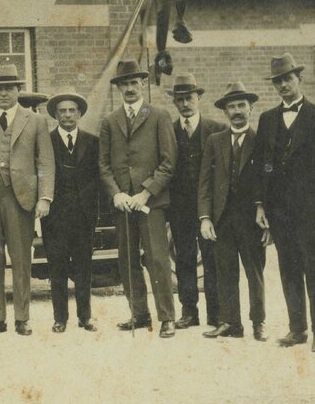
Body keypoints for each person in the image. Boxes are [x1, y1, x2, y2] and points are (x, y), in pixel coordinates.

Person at [254, 53, 315, 352]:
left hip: (311, 210)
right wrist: (261, 204)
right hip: (279, 212)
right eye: (277, 81)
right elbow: (264, 165)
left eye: (287, 79)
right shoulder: (267, 120)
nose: (283, 85)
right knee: (288, 269)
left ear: (298, 79)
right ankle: (297, 329)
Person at [0, 66, 54, 336]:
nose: (3, 93)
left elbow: (45, 162)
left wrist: (45, 197)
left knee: (20, 258)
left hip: (21, 198)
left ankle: (22, 318)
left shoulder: (35, 121)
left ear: (18, 90)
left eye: (9, 88)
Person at [97, 59, 179, 336]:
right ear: (118, 88)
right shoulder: (109, 121)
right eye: (125, 84)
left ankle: (167, 317)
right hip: (123, 205)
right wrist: (117, 194)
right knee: (127, 259)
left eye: (134, 82)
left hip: (150, 204)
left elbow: (169, 162)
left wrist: (145, 193)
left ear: (142, 84)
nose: (130, 88)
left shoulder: (159, 116)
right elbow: (104, 165)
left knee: (157, 259)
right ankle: (140, 314)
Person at [198, 83, 269, 340]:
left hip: (252, 220)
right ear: (225, 112)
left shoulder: (261, 140)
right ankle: (230, 322)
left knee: (255, 273)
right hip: (222, 220)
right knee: (225, 272)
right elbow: (204, 182)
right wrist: (205, 217)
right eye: (232, 106)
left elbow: (269, 182)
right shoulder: (214, 141)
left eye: (241, 105)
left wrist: (267, 219)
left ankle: (258, 322)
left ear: (250, 108)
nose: (237, 111)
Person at [165, 74, 222, 330]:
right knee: (184, 259)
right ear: (175, 103)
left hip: (209, 208)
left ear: (199, 98)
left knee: (212, 258)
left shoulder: (216, 129)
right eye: (180, 99)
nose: (185, 103)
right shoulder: (169, 131)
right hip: (180, 208)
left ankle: (216, 313)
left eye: (189, 98)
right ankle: (189, 312)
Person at [42, 89, 101, 333]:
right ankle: (60, 318)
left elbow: (98, 178)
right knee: (57, 267)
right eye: (62, 111)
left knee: (83, 267)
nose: (67, 115)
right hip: (55, 217)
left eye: (71, 111)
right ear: (56, 115)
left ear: (79, 114)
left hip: (83, 216)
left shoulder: (93, 141)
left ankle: (85, 317)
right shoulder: (45, 141)